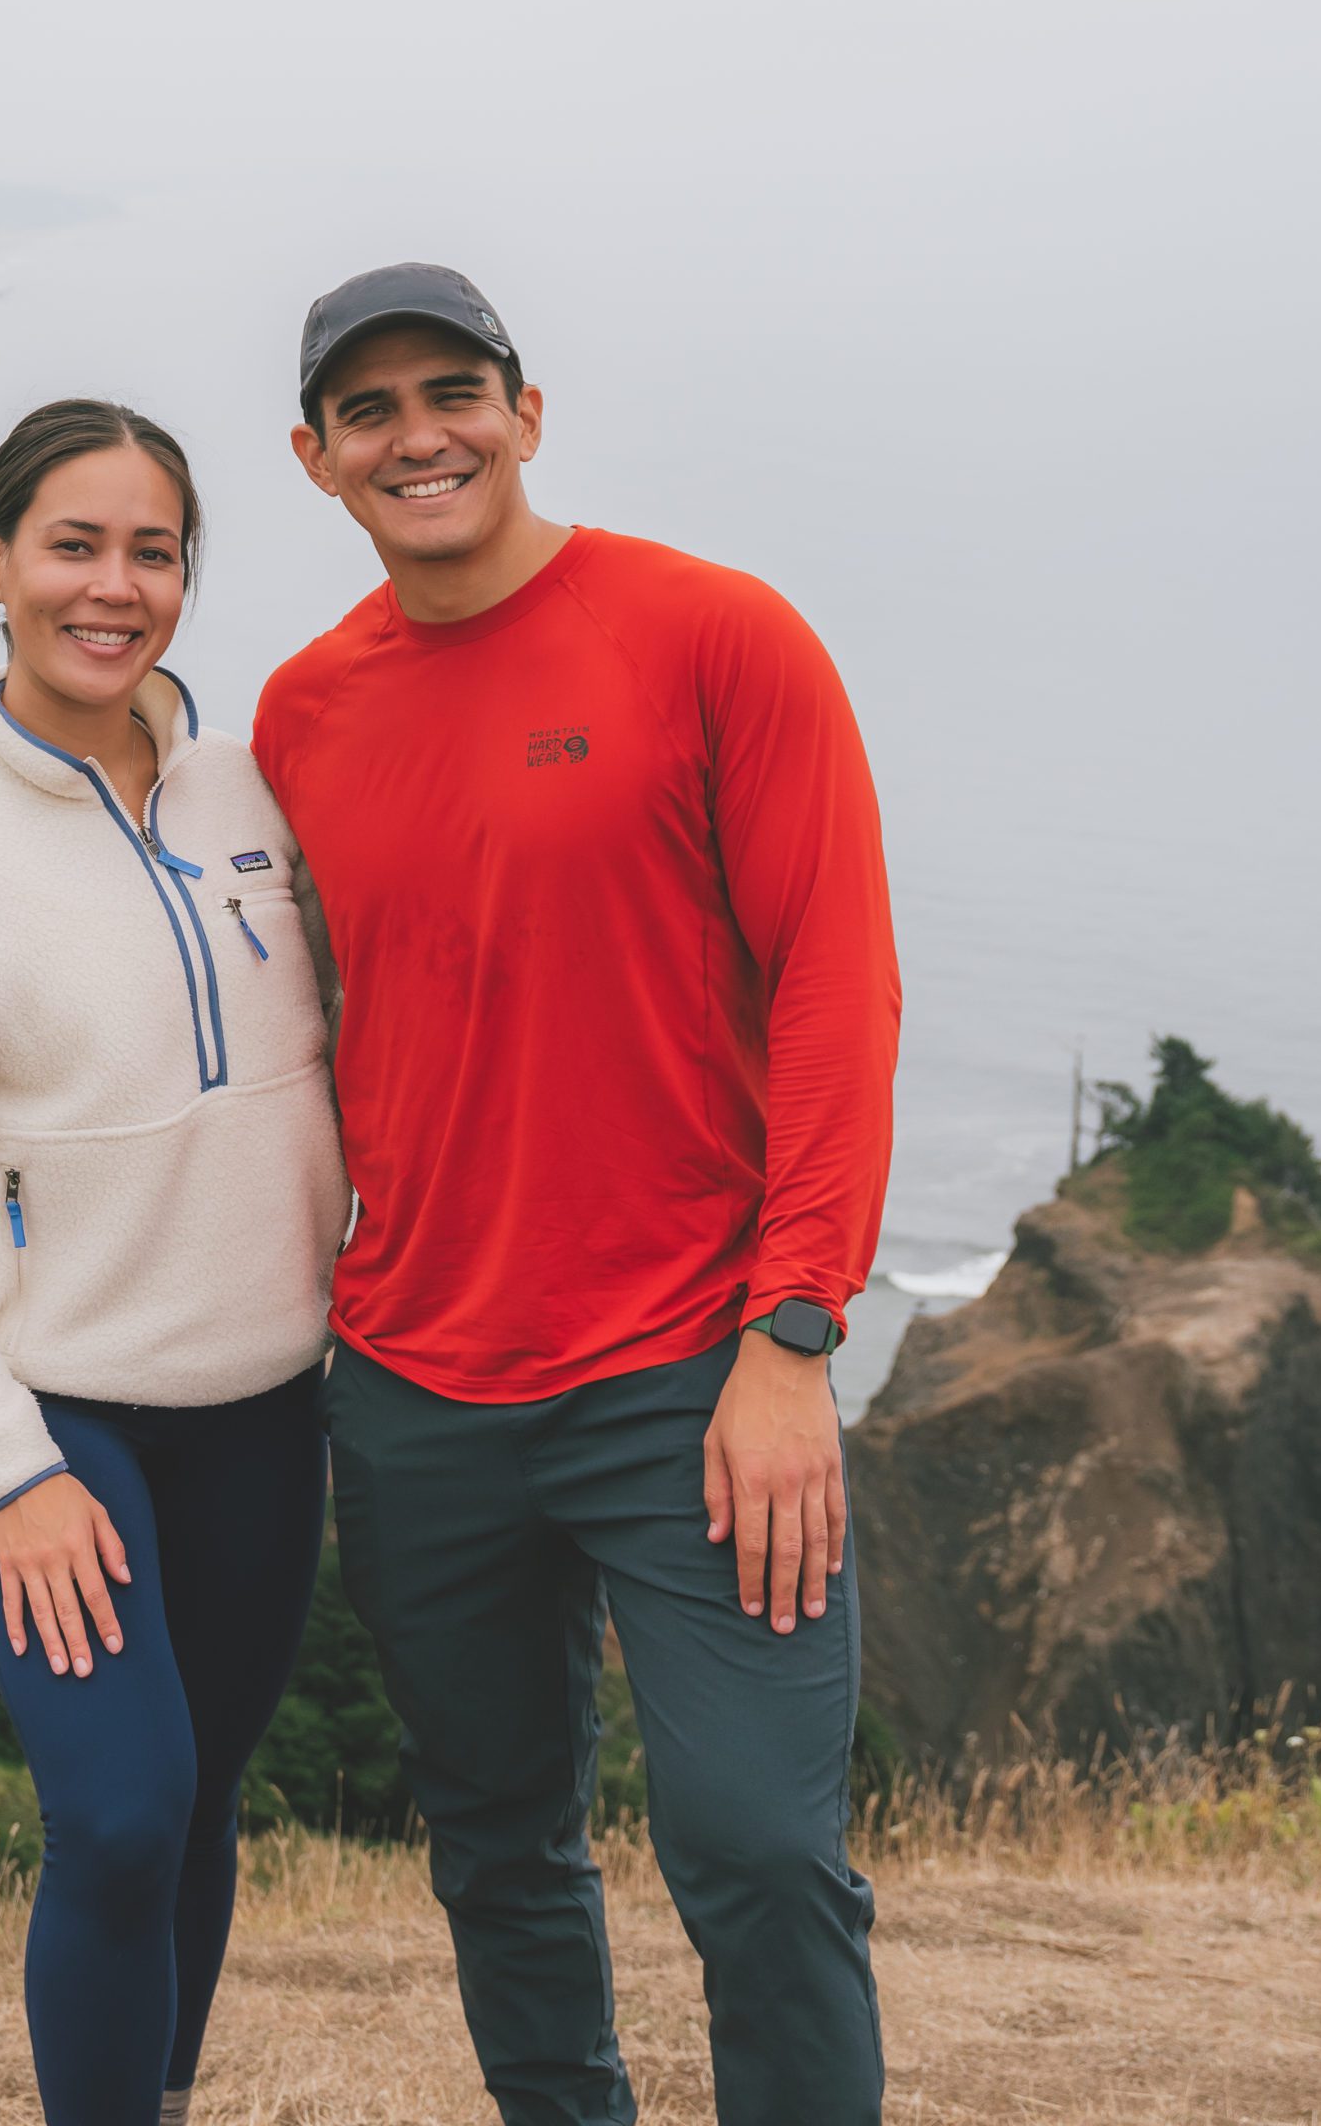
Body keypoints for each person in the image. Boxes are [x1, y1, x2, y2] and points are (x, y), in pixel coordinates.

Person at [252, 266, 900, 2126]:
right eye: (368, 413)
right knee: (498, 1847)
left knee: (761, 1850)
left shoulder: (716, 636)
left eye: (453, 393)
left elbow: (840, 986)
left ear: (528, 413)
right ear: (316, 460)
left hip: (691, 1366)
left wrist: (794, 1331)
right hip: (414, 1384)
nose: (419, 435)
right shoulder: (302, 714)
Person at [0, 399, 347, 2126]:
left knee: (200, 1796)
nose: (114, 587)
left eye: (154, 550)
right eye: (73, 544)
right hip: (59, 1430)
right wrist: (12, 1470)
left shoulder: (255, 792)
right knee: (118, 1810)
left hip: (269, 1402)